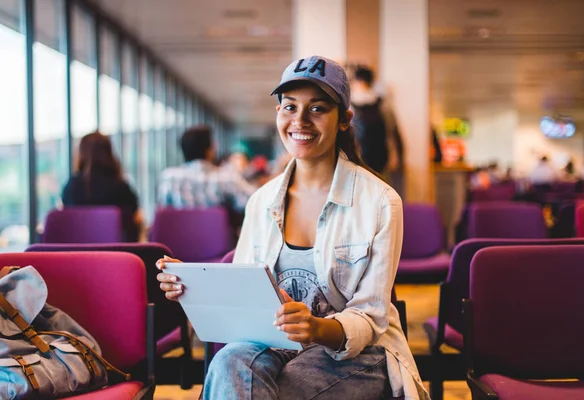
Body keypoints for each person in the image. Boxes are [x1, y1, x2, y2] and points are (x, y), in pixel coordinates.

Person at [156, 56, 428, 399]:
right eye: (289, 107)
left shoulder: (379, 202)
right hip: (275, 344)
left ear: (344, 120)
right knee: (228, 364)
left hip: (353, 354)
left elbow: (370, 320)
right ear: (278, 114)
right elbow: (245, 295)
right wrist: (197, 286)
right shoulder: (261, 201)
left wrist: (316, 328)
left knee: (272, 388)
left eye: (317, 109)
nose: (300, 120)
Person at [157, 125, 256, 226]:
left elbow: (163, 213)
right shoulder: (226, 178)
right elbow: (256, 202)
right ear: (209, 150)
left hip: (175, 239)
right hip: (218, 240)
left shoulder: (169, 177)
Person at [62, 131, 141, 241]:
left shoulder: (71, 187)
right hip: (118, 254)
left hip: (77, 254)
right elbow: (134, 221)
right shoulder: (121, 188)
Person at [349, 65, 402, 176]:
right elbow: (393, 131)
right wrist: (397, 158)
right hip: (381, 159)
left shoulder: (348, 104)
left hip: (356, 160)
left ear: (356, 81)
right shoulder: (383, 103)